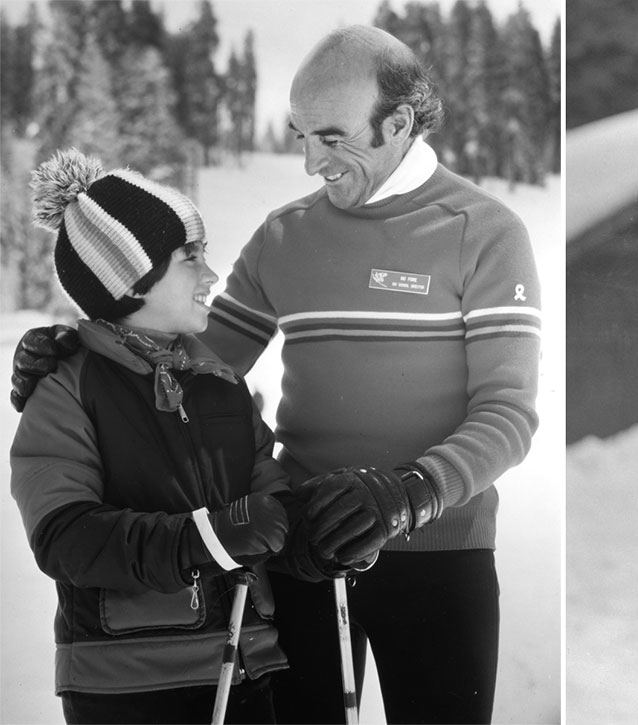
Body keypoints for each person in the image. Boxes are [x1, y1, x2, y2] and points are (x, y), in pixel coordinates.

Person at [12, 26, 541, 724]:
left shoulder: (486, 230)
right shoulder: (284, 236)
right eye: (299, 136)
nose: (310, 161)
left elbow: (510, 412)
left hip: (441, 549)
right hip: (304, 552)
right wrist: (88, 353)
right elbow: (197, 366)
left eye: (330, 136)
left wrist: (410, 493)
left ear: (399, 122)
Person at [11, 149, 295, 723]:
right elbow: (64, 537)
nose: (211, 275)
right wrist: (205, 538)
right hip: (127, 684)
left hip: (244, 667)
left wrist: (324, 526)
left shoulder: (218, 381)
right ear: (132, 280)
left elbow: (272, 506)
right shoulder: (68, 386)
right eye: (190, 257)